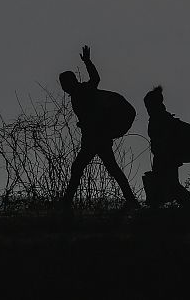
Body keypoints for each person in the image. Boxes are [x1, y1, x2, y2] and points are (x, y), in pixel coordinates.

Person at [59, 45, 139, 209]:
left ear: (70, 82)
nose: (63, 87)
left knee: (79, 168)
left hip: (96, 138)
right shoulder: (77, 94)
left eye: (64, 83)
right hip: (96, 138)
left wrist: (88, 62)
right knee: (112, 169)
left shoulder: (83, 90)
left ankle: (66, 202)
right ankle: (131, 200)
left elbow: (95, 79)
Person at [142, 86, 190, 206]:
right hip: (166, 157)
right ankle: (189, 206)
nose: (147, 108)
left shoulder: (160, 119)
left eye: (148, 105)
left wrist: (162, 154)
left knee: (170, 185)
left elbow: (163, 140)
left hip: (166, 158)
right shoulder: (162, 117)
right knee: (169, 185)